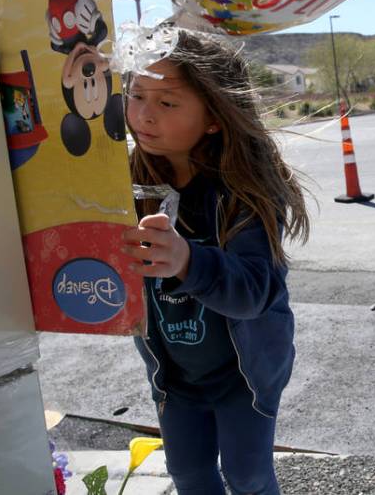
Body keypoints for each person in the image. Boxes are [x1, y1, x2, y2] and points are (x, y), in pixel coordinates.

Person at [120, 28, 309, 495]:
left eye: (167, 102)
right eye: (136, 94)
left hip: (243, 373)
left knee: (248, 476)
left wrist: (187, 259)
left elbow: (254, 292)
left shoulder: (246, 189)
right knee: (187, 473)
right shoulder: (129, 180)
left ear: (214, 117)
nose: (144, 114)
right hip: (173, 372)